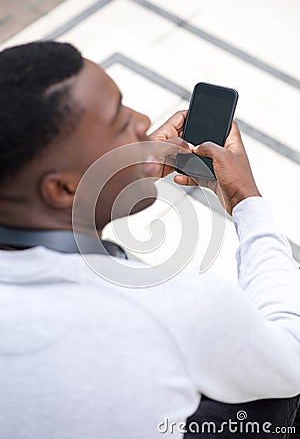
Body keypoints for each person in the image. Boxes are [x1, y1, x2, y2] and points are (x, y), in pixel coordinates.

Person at [0, 41, 299, 439]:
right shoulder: (170, 303)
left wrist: (127, 172)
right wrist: (246, 201)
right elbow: (290, 357)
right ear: (61, 189)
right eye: (120, 122)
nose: (143, 120)